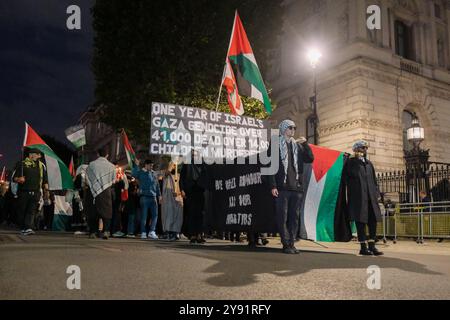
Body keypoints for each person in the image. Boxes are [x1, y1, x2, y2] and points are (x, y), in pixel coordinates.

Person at [267, 119, 314, 254]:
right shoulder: (275, 144)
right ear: (283, 129)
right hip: (282, 187)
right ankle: (286, 243)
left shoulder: (298, 146)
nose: (293, 130)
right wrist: (273, 186)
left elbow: (310, 159)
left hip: (296, 187)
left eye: (294, 128)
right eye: (290, 128)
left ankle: (292, 243)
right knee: (283, 216)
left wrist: (305, 144)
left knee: (294, 217)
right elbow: (270, 166)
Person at [343, 140, 383, 256]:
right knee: (360, 223)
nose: (365, 150)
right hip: (358, 198)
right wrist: (351, 159)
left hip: (371, 198)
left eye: (366, 148)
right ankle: (363, 247)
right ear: (356, 149)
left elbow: (374, 181)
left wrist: (377, 194)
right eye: (362, 148)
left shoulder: (369, 164)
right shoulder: (351, 163)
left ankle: (372, 246)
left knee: (372, 222)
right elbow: (347, 177)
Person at [12, 148, 49, 235]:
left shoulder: (41, 166)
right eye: (37, 154)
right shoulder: (22, 164)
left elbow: (45, 180)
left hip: (36, 192)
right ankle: (23, 228)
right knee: (22, 210)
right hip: (23, 192)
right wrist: (19, 179)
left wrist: (46, 191)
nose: (39, 155)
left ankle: (28, 227)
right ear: (32, 155)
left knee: (31, 211)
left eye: (38, 154)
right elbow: (14, 178)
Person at [85, 148, 116, 239]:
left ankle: (93, 232)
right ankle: (106, 231)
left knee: (93, 212)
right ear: (107, 155)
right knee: (106, 212)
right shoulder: (111, 166)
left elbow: (87, 178)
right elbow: (113, 180)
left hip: (93, 190)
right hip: (106, 191)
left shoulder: (91, 164)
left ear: (98, 154)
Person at [180, 150, 206, 244]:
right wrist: (182, 189)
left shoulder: (203, 165)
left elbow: (207, 176)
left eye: (196, 154)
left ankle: (199, 235)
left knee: (200, 214)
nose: (195, 155)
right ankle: (193, 235)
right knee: (191, 214)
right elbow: (182, 178)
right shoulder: (187, 164)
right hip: (190, 192)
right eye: (193, 154)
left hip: (200, 191)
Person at [132, 158, 162, 240]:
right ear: (146, 165)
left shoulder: (154, 173)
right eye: (150, 165)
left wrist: (159, 195)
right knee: (144, 216)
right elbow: (134, 174)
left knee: (155, 215)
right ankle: (143, 232)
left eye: (152, 165)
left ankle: (152, 231)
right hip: (144, 197)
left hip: (153, 197)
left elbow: (157, 185)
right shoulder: (141, 172)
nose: (151, 167)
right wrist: (136, 165)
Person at [161, 162, 183, 241]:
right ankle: (167, 232)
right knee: (168, 216)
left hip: (178, 199)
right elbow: (165, 173)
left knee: (177, 217)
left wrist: (179, 193)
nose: (174, 166)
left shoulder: (180, 176)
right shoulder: (166, 176)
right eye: (172, 165)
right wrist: (172, 164)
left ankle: (175, 233)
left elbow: (184, 189)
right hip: (168, 200)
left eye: (175, 165)